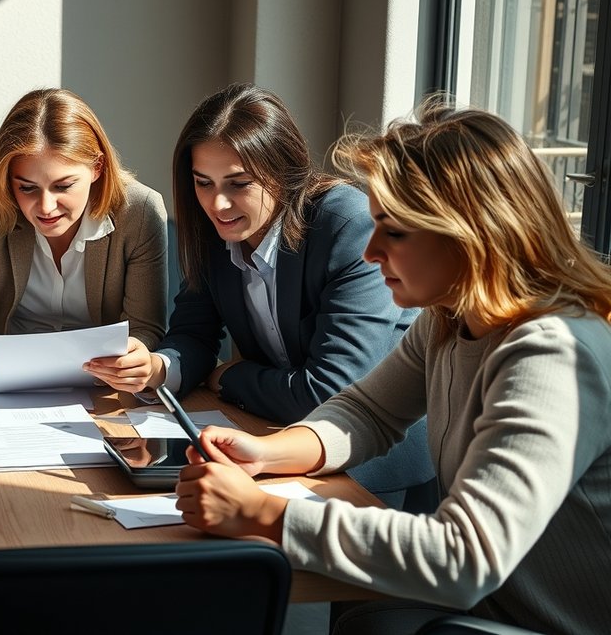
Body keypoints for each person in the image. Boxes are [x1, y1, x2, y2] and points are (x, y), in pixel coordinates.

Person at [174, 101, 611, 633]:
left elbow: (464, 557)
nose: (372, 250)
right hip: (491, 608)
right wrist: (267, 453)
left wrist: (267, 515)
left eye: (395, 231)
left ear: (471, 232)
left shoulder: (551, 354)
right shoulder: (448, 318)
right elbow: (368, 411)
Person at [86, 83, 431, 505]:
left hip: (364, 467)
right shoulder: (214, 231)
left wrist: (228, 375)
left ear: (283, 172)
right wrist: (158, 367)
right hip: (266, 438)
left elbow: (327, 393)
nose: (219, 204)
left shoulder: (346, 226)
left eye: (239, 183)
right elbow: (193, 333)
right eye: (203, 183)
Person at [0, 88, 168, 375]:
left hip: (103, 382)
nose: (45, 207)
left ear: (97, 167)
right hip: (5, 378)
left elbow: (145, 330)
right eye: (26, 188)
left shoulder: (141, 211)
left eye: (63, 186)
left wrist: (135, 361)